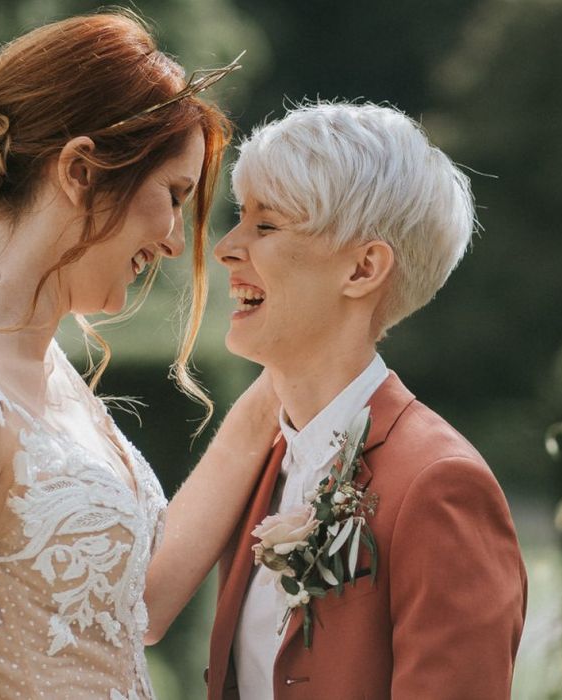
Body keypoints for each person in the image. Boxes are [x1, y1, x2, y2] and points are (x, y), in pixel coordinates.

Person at [0, 12, 280, 700]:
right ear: (81, 170)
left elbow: (137, 610)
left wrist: (277, 397)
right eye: (171, 196)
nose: (175, 240)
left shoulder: (46, 367)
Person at [207, 102, 528, 699]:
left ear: (362, 268)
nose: (226, 247)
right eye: (239, 217)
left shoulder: (441, 484)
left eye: (266, 225)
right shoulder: (269, 458)